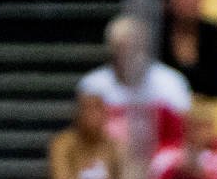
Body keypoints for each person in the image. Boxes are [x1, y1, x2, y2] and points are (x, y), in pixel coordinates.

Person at [78, 16, 192, 148]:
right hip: (109, 161)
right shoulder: (93, 87)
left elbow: (184, 134)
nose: (130, 55)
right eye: (123, 48)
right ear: (112, 50)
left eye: (136, 48)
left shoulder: (171, 83)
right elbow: (85, 136)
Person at [47, 93, 127, 179]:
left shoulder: (115, 146)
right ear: (77, 115)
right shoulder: (63, 143)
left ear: (105, 115)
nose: (92, 115)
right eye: (87, 110)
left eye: (97, 109)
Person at [160, 0, 217, 99]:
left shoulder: (214, 36)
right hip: (166, 108)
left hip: (208, 108)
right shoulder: (157, 36)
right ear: (170, 0)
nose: (189, 5)